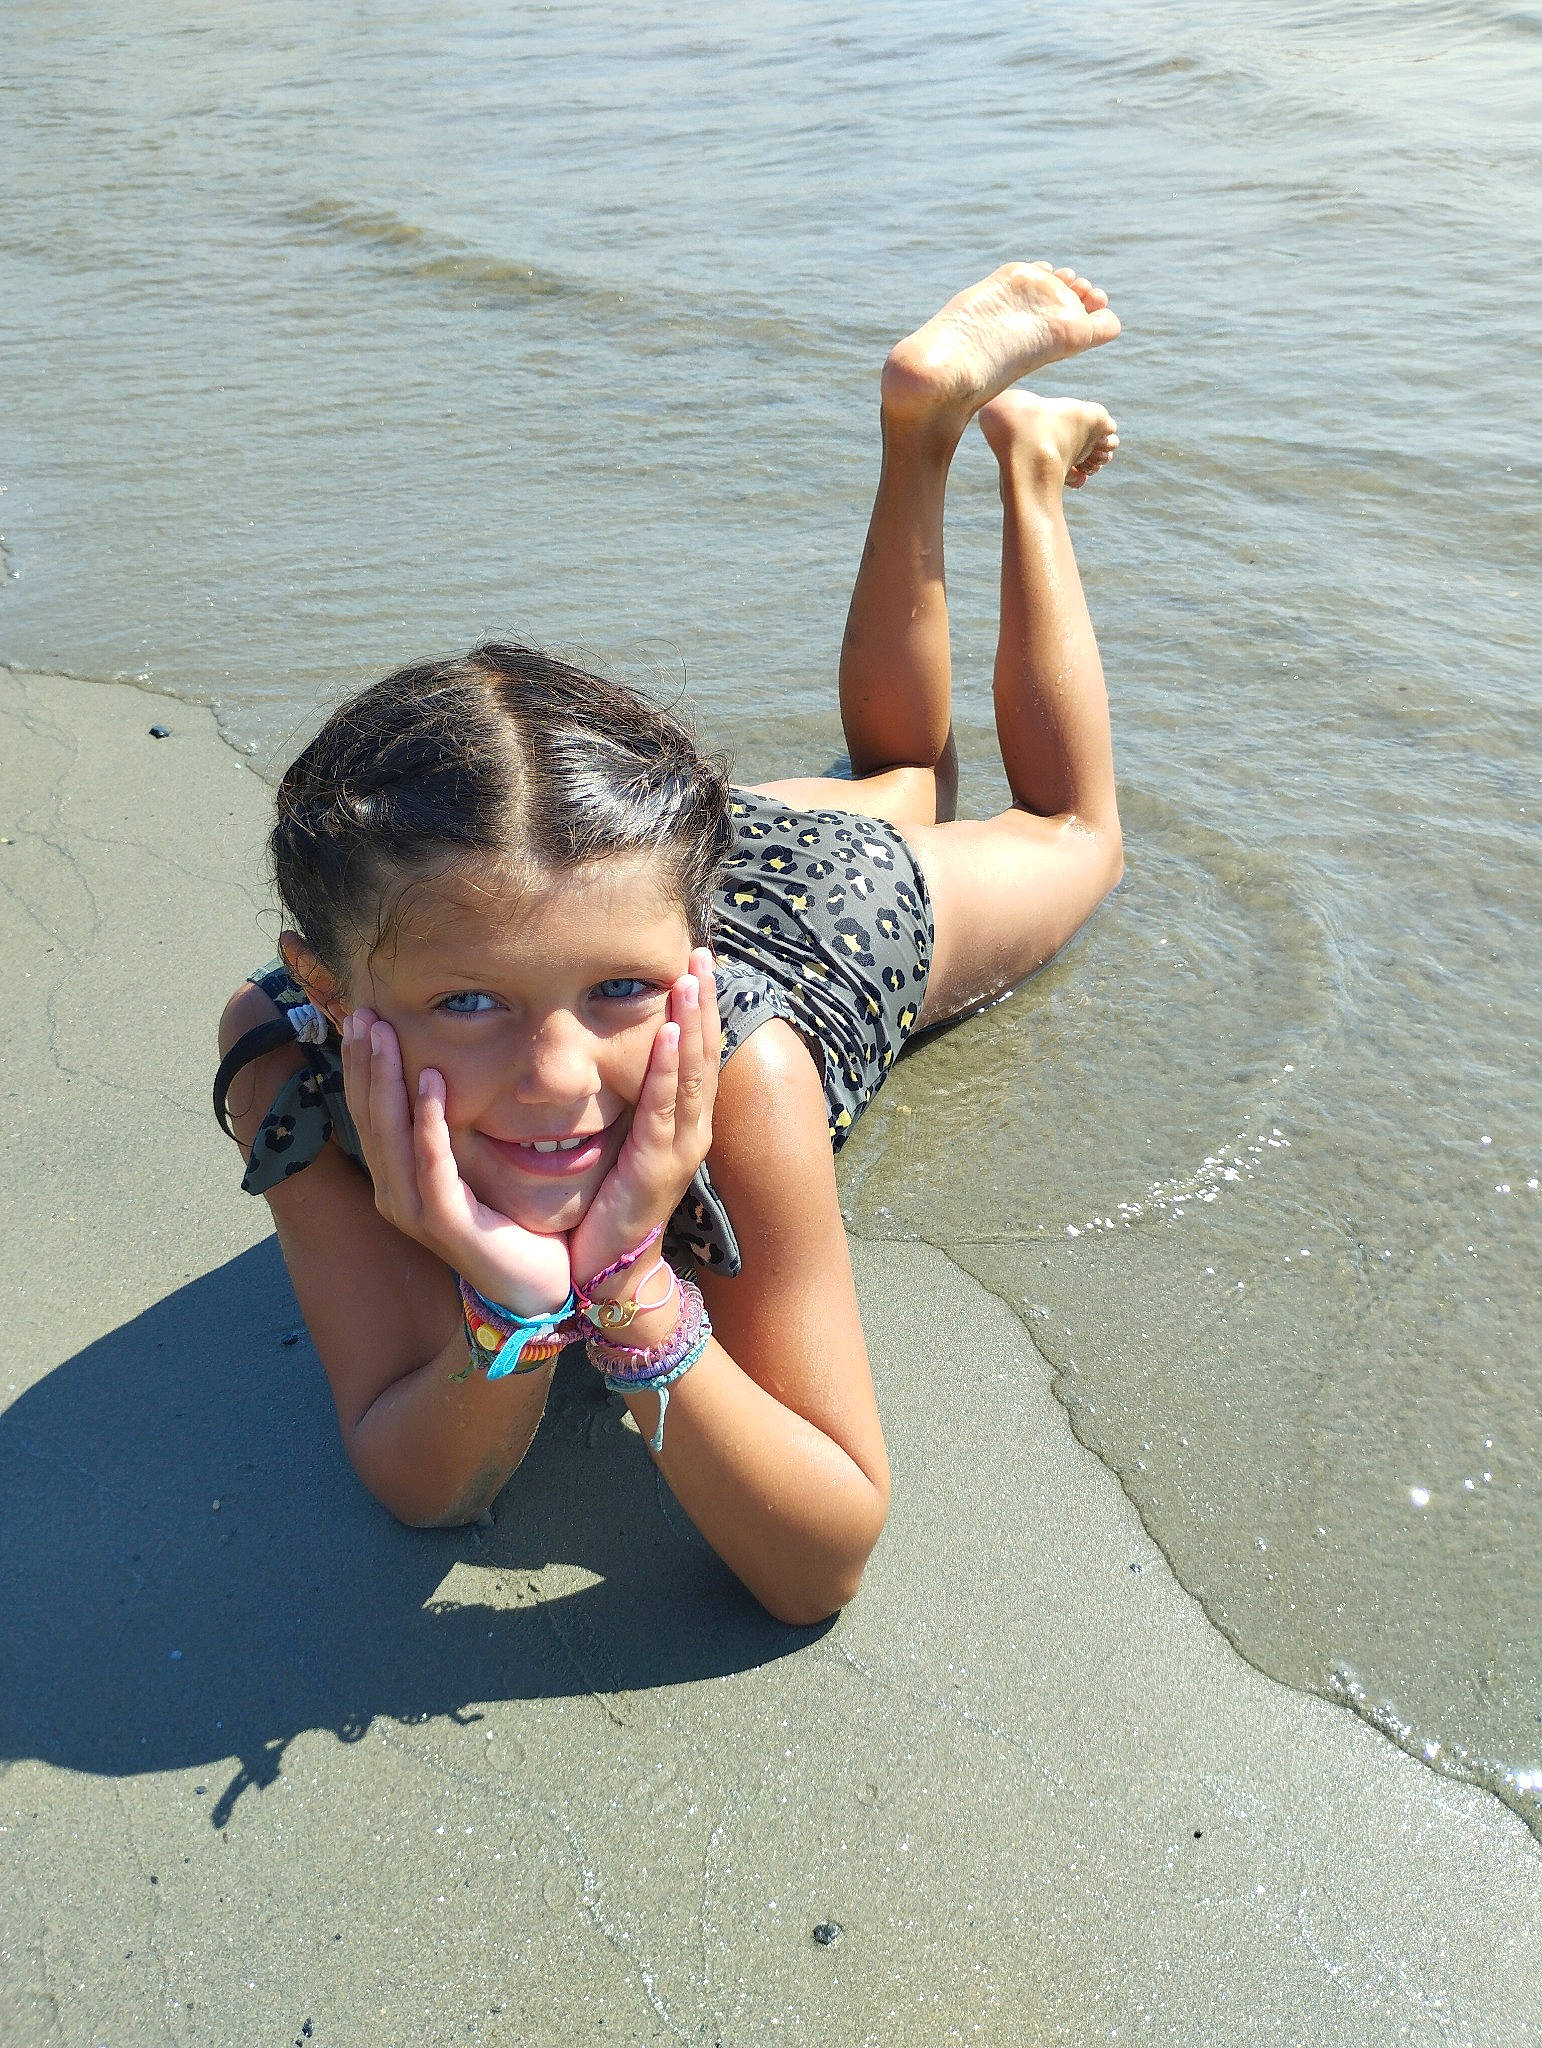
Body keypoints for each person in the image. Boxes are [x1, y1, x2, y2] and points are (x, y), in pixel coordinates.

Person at [214, 261, 1125, 1626]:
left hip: (806, 912)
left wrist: (632, 1288)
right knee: (901, 768)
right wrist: (519, 1316)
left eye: (616, 1003)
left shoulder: (737, 1072)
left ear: (676, 965)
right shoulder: (284, 1065)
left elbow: (818, 1563)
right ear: (333, 990)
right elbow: (422, 1481)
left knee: (1065, 831)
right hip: (592, 888)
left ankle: (1022, 470)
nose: (561, 1078)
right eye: (466, 1003)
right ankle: (923, 421)